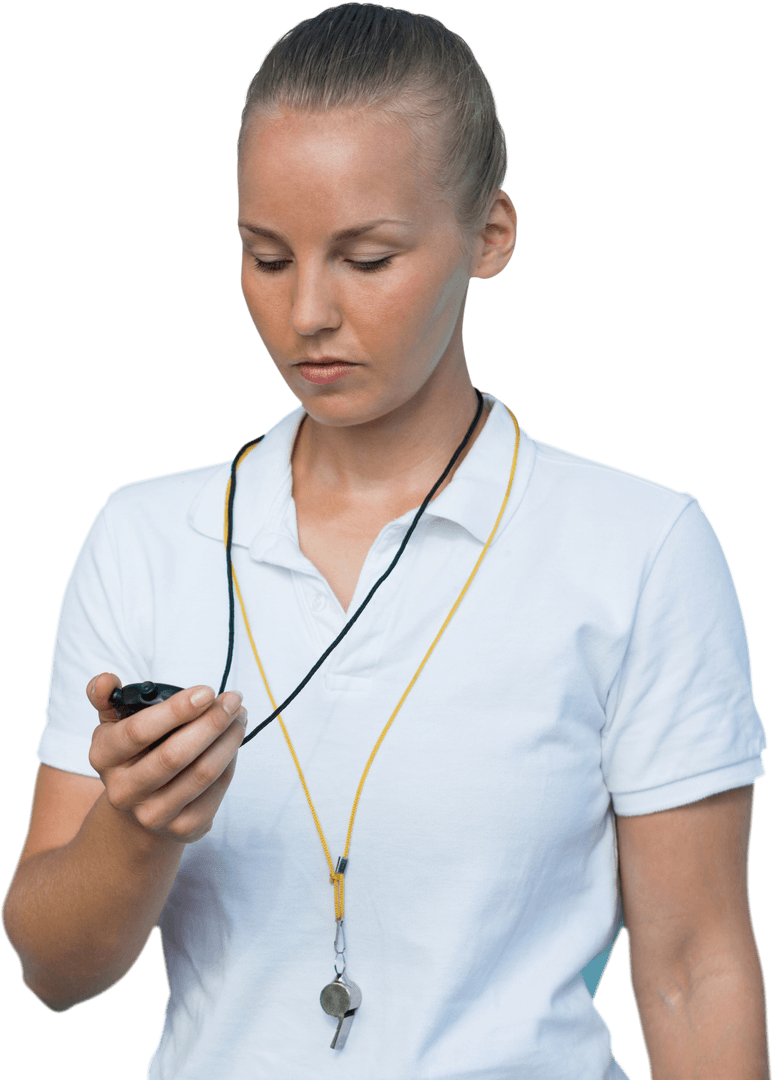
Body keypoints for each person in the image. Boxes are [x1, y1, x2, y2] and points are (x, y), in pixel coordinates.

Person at [2, 4, 769, 1078]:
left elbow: (692, 965)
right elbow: (53, 973)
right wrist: (136, 829)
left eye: (365, 258)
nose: (307, 310)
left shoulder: (639, 547)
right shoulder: (146, 536)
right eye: (266, 258)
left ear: (489, 236)